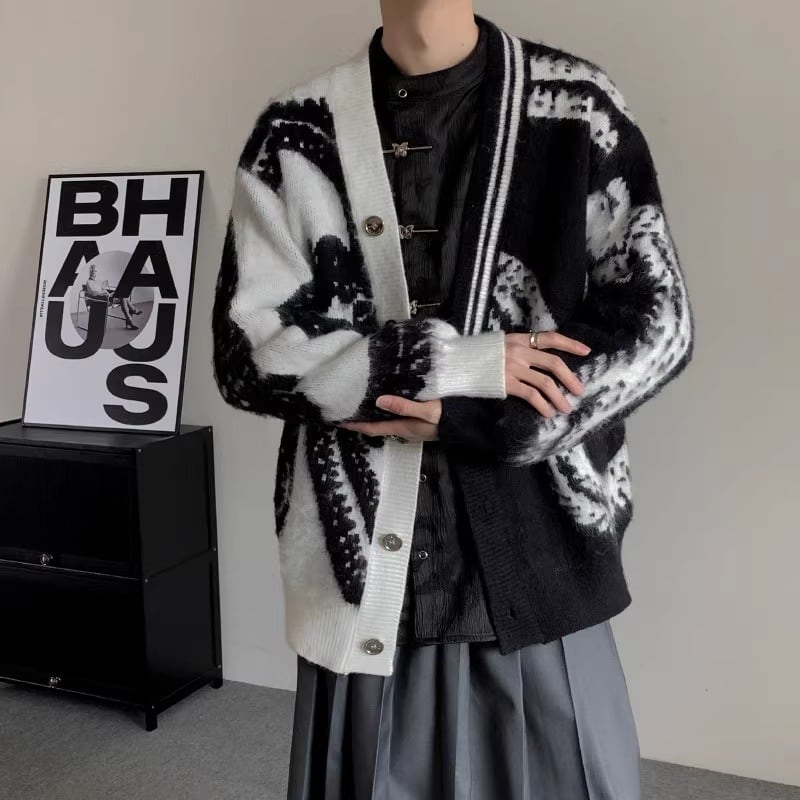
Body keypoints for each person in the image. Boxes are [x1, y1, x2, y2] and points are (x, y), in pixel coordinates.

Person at [212, 4, 694, 799]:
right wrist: (450, 366)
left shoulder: (576, 107)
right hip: (364, 575)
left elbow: (657, 324)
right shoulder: (295, 132)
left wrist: (493, 417)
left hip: (536, 557)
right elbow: (248, 355)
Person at [84, 263, 142, 330]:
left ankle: (130, 317)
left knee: (123, 297)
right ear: (91, 272)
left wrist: (108, 292)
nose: (95, 273)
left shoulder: (97, 281)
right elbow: (93, 293)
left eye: (96, 271)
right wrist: (105, 293)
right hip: (101, 300)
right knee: (123, 298)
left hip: (106, 297)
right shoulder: (89, 282)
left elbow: (102, 289)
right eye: (94, 271)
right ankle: (133, 312)